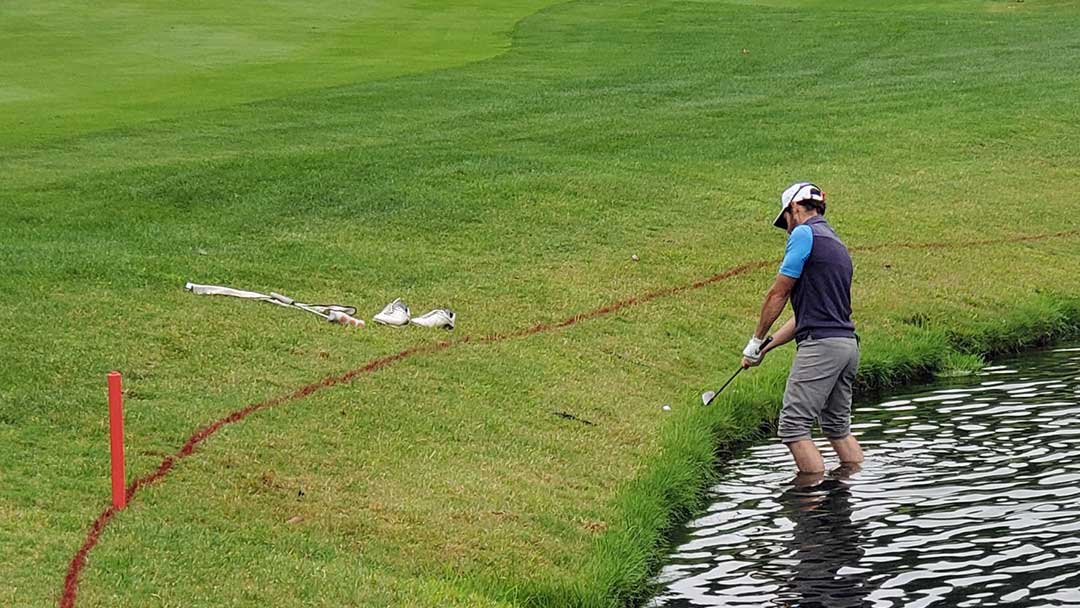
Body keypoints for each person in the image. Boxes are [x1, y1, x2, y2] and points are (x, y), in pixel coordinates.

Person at [740, 182, 863, 473]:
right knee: (836, 428)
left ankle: (811, 508)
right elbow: (807, 315)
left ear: (794, 208)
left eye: (785, 222)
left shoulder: (803, 234)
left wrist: (755, 340)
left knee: (793, 427)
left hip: (821, 346)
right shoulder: (836, 243)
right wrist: (766, 348)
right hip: (846, 346)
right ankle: (850, 494)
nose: (787, 230)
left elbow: (778, 293)